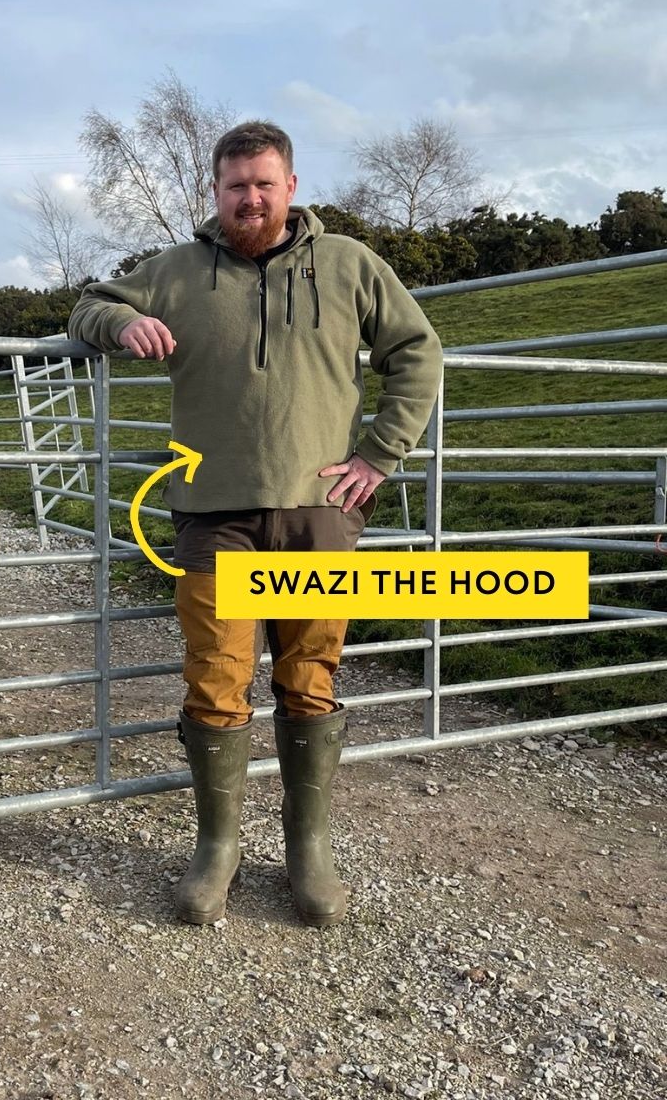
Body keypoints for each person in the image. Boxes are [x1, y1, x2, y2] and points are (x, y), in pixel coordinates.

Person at [68, 120, 442, 929]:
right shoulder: (175, 271)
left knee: (310, 678)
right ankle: (219, 849)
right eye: (237, 185)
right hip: (214, 516)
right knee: (215, 680)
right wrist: (121, 323)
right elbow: (87, 307)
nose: (251, 198)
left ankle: (309, 852)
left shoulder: (347, 265)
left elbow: (417, 349)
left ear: (292, 187)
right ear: (216, 191)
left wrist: (379, 455)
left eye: (266, 183)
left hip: (320, 512)